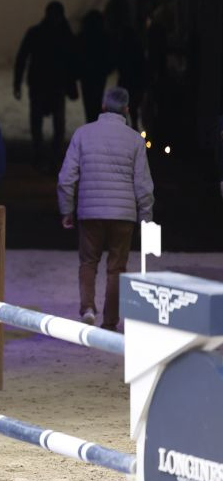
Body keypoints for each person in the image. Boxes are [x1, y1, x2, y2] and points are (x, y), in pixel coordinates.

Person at [57, 87, 154, 330]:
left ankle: (88, 308)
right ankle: (110, 322)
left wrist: (67, 209)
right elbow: (143, 185)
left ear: (103, 107)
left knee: (88, 262)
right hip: (123, 216)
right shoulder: (135, 139)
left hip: (90, 212)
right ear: (127, 109)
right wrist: (146, 217)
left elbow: (66, 178)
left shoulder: (83, 134)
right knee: (116, 268)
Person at [14, 0, 79, 170]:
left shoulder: (36, 33)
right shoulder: (65, 35)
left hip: (41, 83)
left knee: (39, 120)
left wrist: (17, 83)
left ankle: (41, 154)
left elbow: (22, 57)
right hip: (54, 84)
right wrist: (72, 84)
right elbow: (73, 61)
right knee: (57, 122)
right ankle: (52, 155)